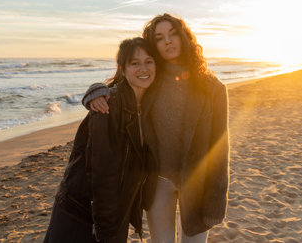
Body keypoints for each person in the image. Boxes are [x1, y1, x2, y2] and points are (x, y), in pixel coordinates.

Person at [82, 13, 230, 243]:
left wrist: (216, 203)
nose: (168, 41)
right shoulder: (150, 77)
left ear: (184, 38)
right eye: (160, 38)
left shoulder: (213, 88)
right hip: (158, 180)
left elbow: (220, 150)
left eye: (173, 34)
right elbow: (118, 89)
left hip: (198, 183)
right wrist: (94, 92)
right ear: (154, 45)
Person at [44, 37, 156, 243]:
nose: (143, 68)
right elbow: (102, 173)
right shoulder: (107, 106)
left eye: (149, 61)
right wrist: (106, 229)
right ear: (122, 68)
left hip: (114, 212)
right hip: (81, 209)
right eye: (135, 63)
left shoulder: (149, 106)